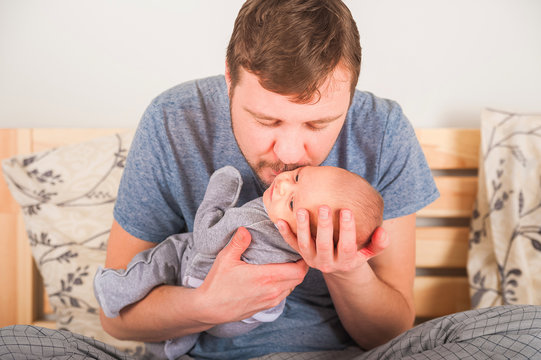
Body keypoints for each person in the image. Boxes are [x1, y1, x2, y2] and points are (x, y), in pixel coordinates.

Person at [3, 1, 541, 359]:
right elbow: (117, 321)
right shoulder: (173, 120)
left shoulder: (383, 130)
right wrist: (206, 305)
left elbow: (395, 331)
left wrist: (346, 271)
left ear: (350, 97)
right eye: (265, 121)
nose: (288, 152)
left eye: (318, 124)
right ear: (229, 85)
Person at [94, 165, 383, 359]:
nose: (282, 183)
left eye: (293, 204)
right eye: (297, 177)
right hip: (209, 333)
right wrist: (201, 307)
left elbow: (207, 240)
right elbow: (114, 322)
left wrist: (219, 194)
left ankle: (119, 286)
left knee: (168, 253)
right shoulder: (166, 120)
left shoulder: (254, 224)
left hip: (322, 352)